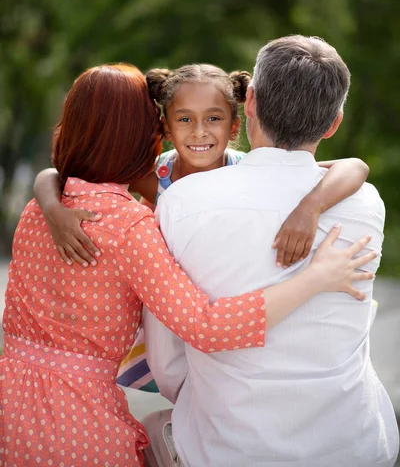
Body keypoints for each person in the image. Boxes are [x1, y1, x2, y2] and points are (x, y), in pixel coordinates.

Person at [0, 63, 374, 467]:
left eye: (213, 119)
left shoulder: (34, 214)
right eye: (182, 121)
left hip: (14, 399)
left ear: (234, 125)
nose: (198, 132)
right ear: (159, 129)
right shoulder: (140, 207)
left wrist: (311, 206)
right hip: (147, 351)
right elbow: (205, 326)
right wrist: (316, 277)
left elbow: (353, 167)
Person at [141, 38, 399, 467]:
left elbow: (166, 362)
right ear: (333, 123)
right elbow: (350, 169)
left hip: (228, 449)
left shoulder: (181, 201)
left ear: (251, 104)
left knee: (153, 428)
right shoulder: (366, 203)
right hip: (355, 445)